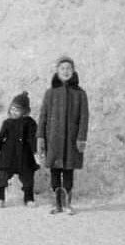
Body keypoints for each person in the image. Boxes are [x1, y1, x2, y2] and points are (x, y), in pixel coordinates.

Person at [37, 55, 89, 214]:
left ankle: (67, 204)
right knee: (54, 170)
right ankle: (56, 203)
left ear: (73, 71)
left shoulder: (80, 94)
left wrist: (81, 137)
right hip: (53, 139)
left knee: (68, 170)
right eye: (62, 68)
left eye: (69, 68)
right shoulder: (50, 93)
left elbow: (84, 117)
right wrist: (40, 137)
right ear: (57, 71)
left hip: (71, 140)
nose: (66, 71)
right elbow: (43, 116)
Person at [0, 91, 39, 207]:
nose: (13, 112)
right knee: (2, 177)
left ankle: (29, 198)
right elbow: (0, 139)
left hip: (25, 156)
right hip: (8, 156)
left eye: (17, 110)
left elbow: (33, 139)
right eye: (12, 109)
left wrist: (36, 152)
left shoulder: (30, 123)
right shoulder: (7, 123)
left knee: (28, 179)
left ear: (25, 111)